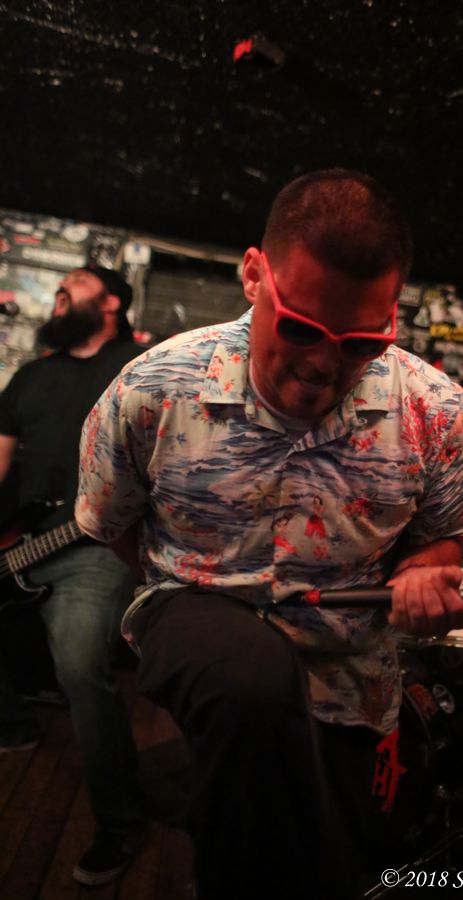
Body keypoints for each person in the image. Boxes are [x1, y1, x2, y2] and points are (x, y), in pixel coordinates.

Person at [76, 169, 463, 900]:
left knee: (320, 855)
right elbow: (110, 524)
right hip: (194, 614)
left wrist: (426, 571)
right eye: (302, 329)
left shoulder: (437, 412)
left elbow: (442, 536)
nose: (324, 363)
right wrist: (184, 590)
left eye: (361, 342)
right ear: (254, 276)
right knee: (251, 682)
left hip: (348, 671)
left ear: (393, 313)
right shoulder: (151, 389)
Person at [0, 265, 146, 885]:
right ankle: (14, 722)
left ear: (111, 301)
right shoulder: (32, 376)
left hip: (94, 543)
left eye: (77, 280)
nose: (62, 287)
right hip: (20, 541)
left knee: (82, 665)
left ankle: (121, 821)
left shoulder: (137, 368)